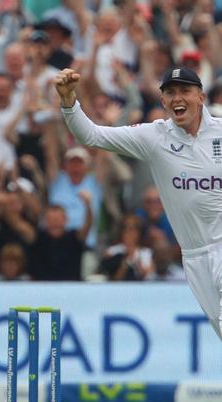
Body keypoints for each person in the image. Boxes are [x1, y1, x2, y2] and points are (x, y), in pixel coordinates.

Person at [55, 66, 222, 339]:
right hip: (194, 257)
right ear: (163, 101)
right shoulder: (153, 136)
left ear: (201, 97)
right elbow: (92, 136)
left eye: (185, 91)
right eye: (170, 93)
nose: (178, 98)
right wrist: (68, 101)